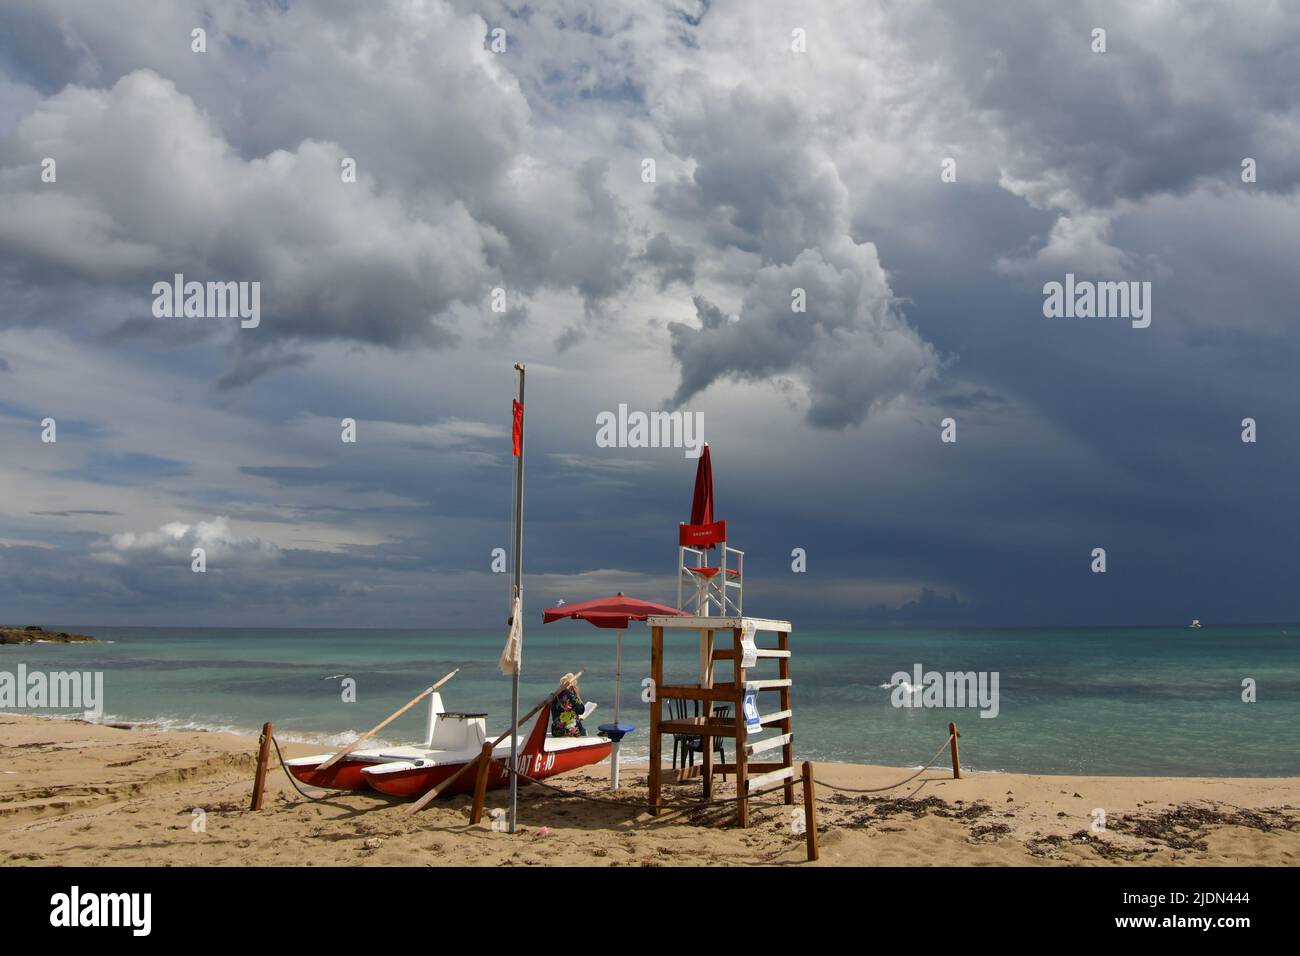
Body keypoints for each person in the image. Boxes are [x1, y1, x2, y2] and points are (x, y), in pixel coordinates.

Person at [550, 673, 586, 737]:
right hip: (569, 730)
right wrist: (577, 695)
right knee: (583, 731)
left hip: (556, 730)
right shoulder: (570, 695)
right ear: (572, 686)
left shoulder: (555, 695)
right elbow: (581, 710)